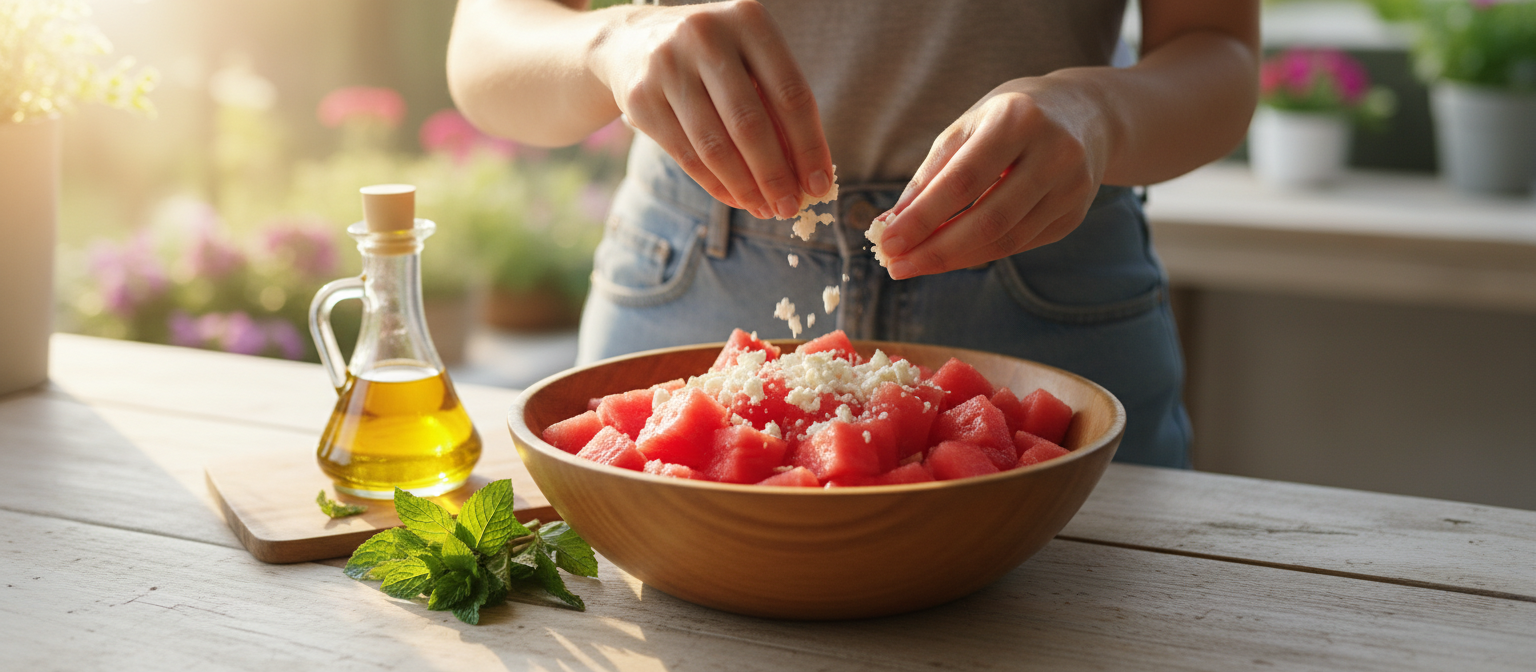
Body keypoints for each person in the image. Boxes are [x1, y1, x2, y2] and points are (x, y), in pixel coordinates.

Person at [446, 0, 1259, 468]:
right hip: (698, 273)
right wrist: (606, 42)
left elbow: (1217, 48)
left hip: (1046, 276)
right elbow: (487, 44)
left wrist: (1099, 114)